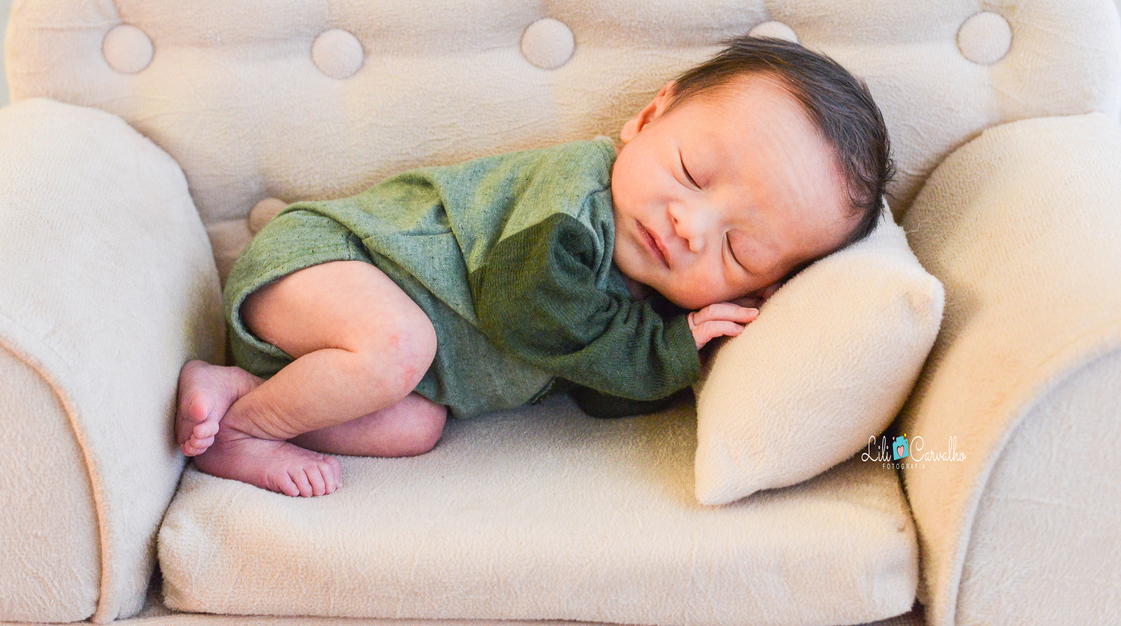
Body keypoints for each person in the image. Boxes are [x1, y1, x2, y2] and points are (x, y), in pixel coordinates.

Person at [175, 36, 894, 497]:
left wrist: (690, 353)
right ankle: (247, 433)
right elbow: (531, 312)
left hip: (339, 357)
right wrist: (666, 350)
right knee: (398, 346)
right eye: (692, 172)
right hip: (327, 263)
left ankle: (241, 393)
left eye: (738, 250)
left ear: (760, 287)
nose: (689, 224)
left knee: (415, 428)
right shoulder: (573, 201)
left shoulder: (646, 303)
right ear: (648, 120)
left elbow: (602, 389)